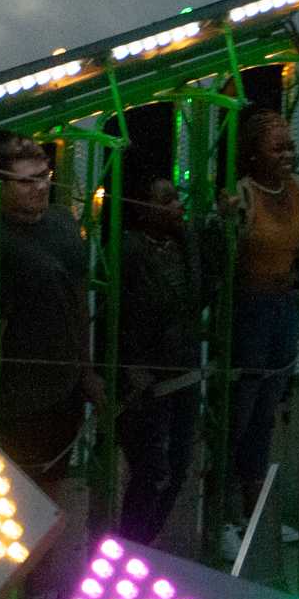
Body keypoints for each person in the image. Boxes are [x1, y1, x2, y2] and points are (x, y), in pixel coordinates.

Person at [0, 132, 101, 599]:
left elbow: (79, 299)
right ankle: (23, 590)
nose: (38, 188)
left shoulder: (63, 224)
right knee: (22, 492)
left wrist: (86, 370)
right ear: (0, 188)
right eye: (25, 181)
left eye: (43, 178)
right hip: (23, 392)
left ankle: (42, 585)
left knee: (52, 489)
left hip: (66, 382)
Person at [219, 106, 299, 562]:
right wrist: (226, 220)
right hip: (248, 310)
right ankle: (225, 517)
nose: (287, 154)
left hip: (284, 306)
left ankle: (253, 515)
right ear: (253, 153)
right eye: (277, 146)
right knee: (239, 412)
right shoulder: (244, 196)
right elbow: (226, 259)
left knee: (267, 411)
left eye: (290, 145)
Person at [115, 175, 218, 546]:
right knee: (150, 467)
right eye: (167, 200)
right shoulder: (129, 250)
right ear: (143, 210)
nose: (178, 206)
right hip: (147, 376)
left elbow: (203, 292)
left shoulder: (184, 244)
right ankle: (131, 541)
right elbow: (117, 313)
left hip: (183, 368)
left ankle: (143, 540)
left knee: (177, 464)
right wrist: (131, 366)